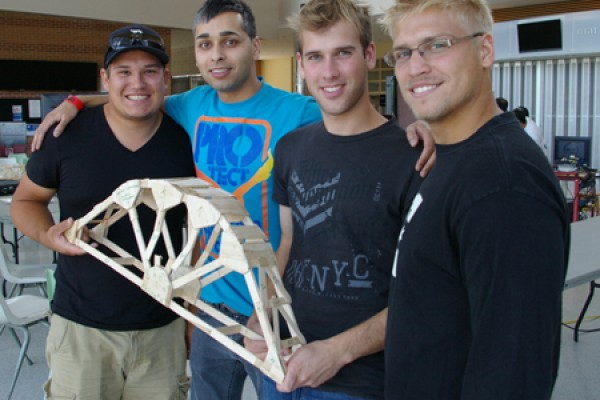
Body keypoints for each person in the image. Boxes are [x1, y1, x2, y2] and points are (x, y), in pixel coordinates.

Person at [31, 1, 435, 399]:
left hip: (275, 312)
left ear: (255, 47)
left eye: (230, 41)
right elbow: (134, 95)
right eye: (204, 44)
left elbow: (350, 115)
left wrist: (417, 126)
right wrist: (76, 102)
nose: (217, 55)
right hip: (209, 309)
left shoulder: (299, 113)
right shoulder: (188, 106)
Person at [381, 1, 569, 399]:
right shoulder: (448, 156)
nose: (416, 67)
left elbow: (513, 376)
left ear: (484, 50)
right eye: (404, 53)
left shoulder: (504, 184)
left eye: (437, 45)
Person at [245, 0, 422, 399]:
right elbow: (290, 244)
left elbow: (424, 292)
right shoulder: (289, 149)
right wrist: (265, 311)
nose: (329, 72)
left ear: (370, 55)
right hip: (285, 363)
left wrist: (337, 353)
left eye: (343, 53)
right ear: (301, 64)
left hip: (360, 381)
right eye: (316, 56)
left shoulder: (413, 156)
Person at [10, 25, 196, 399]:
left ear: (165, 78)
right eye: (124, 72)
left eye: (149, 71)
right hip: (81, 331)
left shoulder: (186, 139)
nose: (137, 83)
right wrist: (47, 235)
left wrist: (189, 318)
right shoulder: (67, 136)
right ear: (105, 78)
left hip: (162, 330)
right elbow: (25, 201)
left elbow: (194, 236)